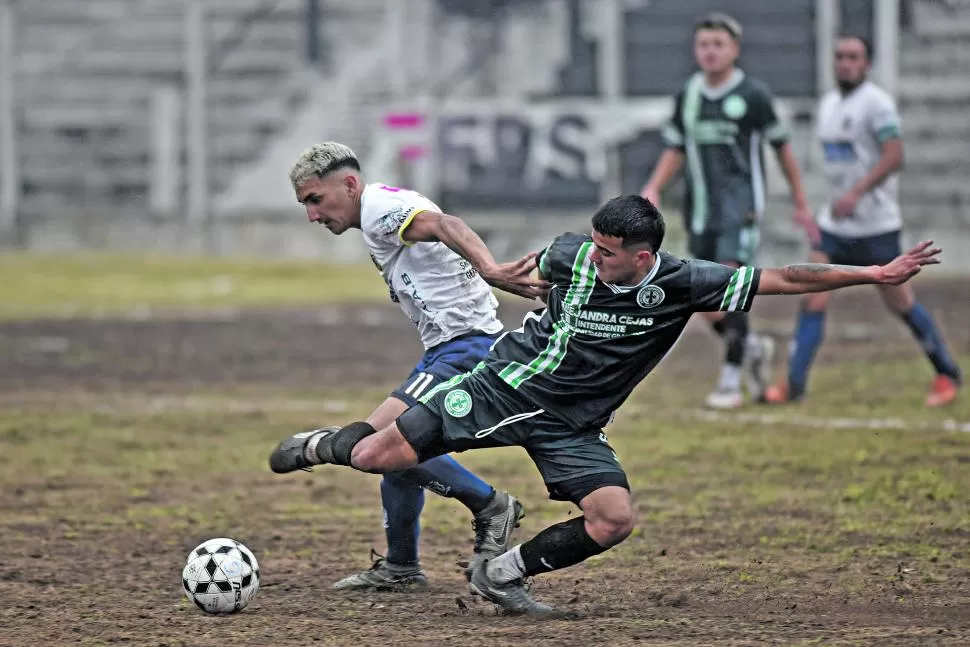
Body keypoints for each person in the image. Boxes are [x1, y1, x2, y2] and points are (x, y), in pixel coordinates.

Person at [269, 194, 941, 614]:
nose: (592, 255)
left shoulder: (682, 282)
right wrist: (522, 280)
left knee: (613, 517)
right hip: (505, 385)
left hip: (573, 423)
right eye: (591, 242)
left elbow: (786, 275)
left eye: (608, 250)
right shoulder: (572, 256)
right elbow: (532, 271)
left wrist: (874, 274)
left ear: (643, 256)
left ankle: (500, 572)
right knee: (373, 452)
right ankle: (320, 445)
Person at [283, 142, 548, 591]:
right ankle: (402, 566)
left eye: (315, 199)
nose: (312, 215)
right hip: (448, 348)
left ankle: (490, 505)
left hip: (465, 348)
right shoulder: (378, 209)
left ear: (348, 184)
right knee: (393, 451)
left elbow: (448, 224)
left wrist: (489, 270)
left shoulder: (379, 207)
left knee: (367, 444)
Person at [761, 35, 961, 407]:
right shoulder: (829, 105)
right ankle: (794, 385)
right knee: (811, 298)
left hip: (875, 226)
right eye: (839, 56)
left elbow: (894, 155)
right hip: (834, 227)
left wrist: (857, 192)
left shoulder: (877, 104)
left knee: (900, 303)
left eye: (853, 57)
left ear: (866, 64)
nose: (845, 63)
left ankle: (947, 374)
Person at [640, 12, 820, 409]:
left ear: (734, 50)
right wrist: (653, 186)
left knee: (729, 284)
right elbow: (676, 147)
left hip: (740, 209)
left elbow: (782, 147)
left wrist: (801, 201)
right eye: (704, 44)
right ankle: (751, 345)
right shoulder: (689, 93)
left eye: (718, 44)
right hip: (699, 209)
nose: (710, 51)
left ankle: (730, 378)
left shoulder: (752, 95)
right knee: (701, 297)